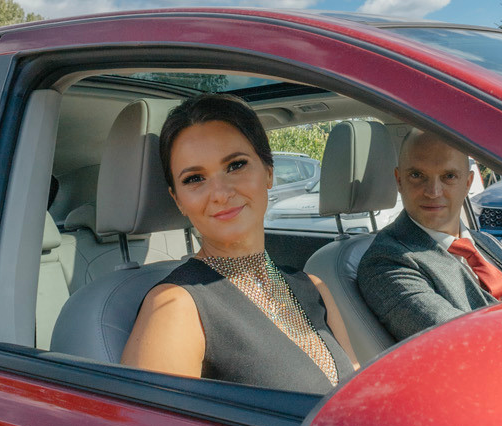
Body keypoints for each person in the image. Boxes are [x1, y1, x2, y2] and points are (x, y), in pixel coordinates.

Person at [122, 94, 356, 393]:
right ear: (177, 200)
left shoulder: (312, 286)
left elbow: (356, 389)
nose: (220, 193)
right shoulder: (176, 306)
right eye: (194, 178)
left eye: (235, 165)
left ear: (268, 172)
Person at [356, 128, 502, 342]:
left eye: (448, 176)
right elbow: (460, 340)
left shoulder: (487, 243)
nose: (433, 191)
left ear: (467, 183)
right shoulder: (386, 261)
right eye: (417, 175)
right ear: (399, 180)